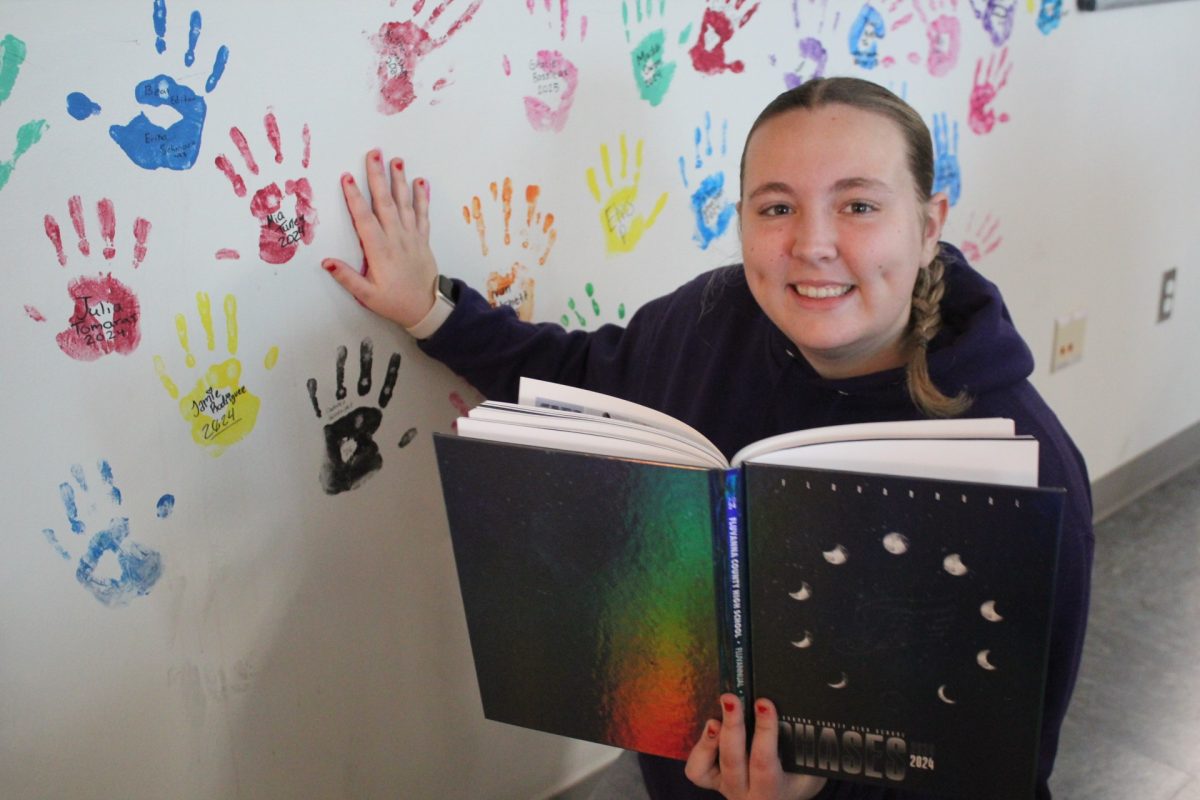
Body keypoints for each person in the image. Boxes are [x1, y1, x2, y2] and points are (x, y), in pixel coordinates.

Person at [321, 77, 1093, 800]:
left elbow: (1003, 768)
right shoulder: (710, 318)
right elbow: (581, 377)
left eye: (858, 206)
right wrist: (429, 310)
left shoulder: (1023, 464)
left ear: (929, 227)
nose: (812, 244)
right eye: (776, 208)